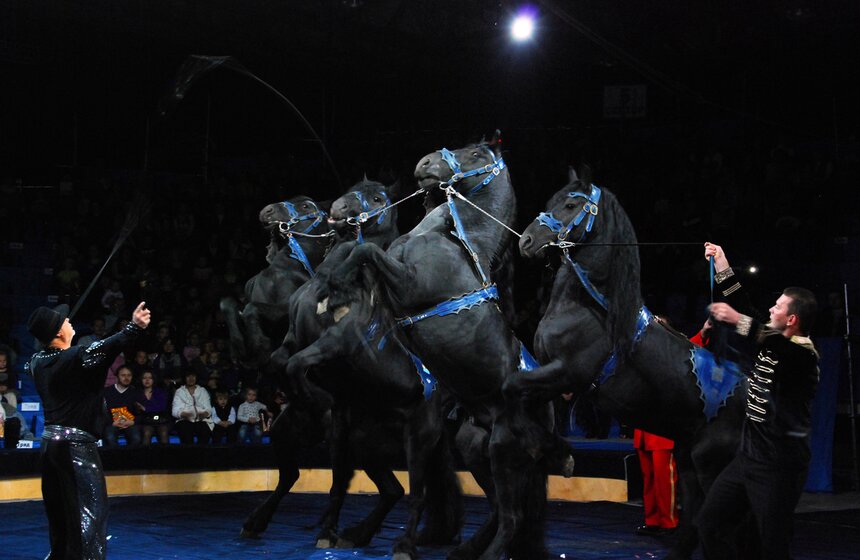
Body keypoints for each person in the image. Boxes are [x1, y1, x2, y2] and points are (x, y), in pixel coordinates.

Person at [696, 242, 819, 560]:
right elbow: (746, 307)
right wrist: (723, 264)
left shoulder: (803, 356)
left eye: (777, 307)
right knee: (710, 523)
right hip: (748, 457)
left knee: (773, 544)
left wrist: (738, 320)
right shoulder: (774, 339)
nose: (770, 310)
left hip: (779, 465)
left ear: (792, 320)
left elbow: (768, 338)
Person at [27, 301, 150, 560]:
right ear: (58, 333)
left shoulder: (37, 361)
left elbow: (88, 353)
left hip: (50, 445)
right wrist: (134, 327)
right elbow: (106, 347)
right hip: (76, 449)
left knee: (61, 519)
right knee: (89, 516)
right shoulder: (76, 357)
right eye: (64, 320)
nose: (69, 321)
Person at [102, 365, 143, 447]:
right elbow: (101, 412)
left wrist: (133, 422)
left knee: (137, 438)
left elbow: (141, 412)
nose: (126, 378)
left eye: (129, 375)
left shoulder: (136, 392)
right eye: (123, 375)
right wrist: (112, 423)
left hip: (130, 423)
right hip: (112, 423)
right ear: (117, 377)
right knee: (110, 437)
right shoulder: (106, 392)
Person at [171, 369, 213, 444]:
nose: (191, 379)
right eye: (188, 376)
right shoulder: (179, 391)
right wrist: (184, 414)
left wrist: (204, 414)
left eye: (193, 376)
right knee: (186, 433)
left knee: (205, 433)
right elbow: (174, 411)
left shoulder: (202, 391)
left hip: (201, 420)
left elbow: (209, 409)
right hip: (184, 420)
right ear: (185, 378)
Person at [135, 370, 171, 445]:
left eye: (150, 378)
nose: (147, 380)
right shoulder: (137, 393)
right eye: (144, 378)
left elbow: (162, 407)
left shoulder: (160, 392)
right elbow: (137, 411)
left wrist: (145, 409)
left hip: (161, 420)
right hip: (145, 421)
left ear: (153, 380)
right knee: (147, 433)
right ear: (141, 380)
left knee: (164, 433)